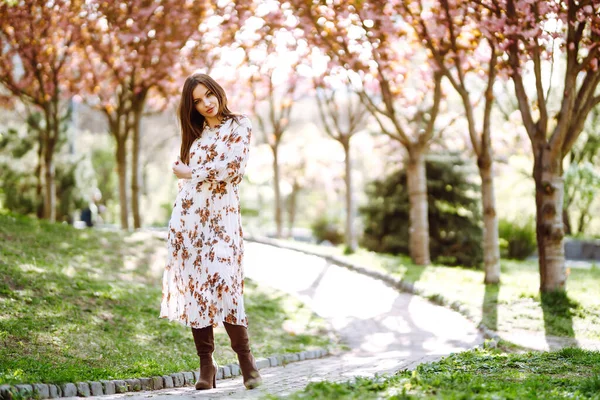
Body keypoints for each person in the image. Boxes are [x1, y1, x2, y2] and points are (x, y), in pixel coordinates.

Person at [160, 73, 262, 390]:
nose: (206, 104)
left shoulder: (239, 125)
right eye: (197, 101)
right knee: (197, 291)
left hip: (223, 221)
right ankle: (207, 365)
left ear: (217, 91)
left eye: (208, 95)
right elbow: (186, 181)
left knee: (226, 284)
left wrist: (191, 172)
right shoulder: (196, 134)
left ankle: (247, 363)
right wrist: (186, 175)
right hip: (189, 221)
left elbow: (234, 169)